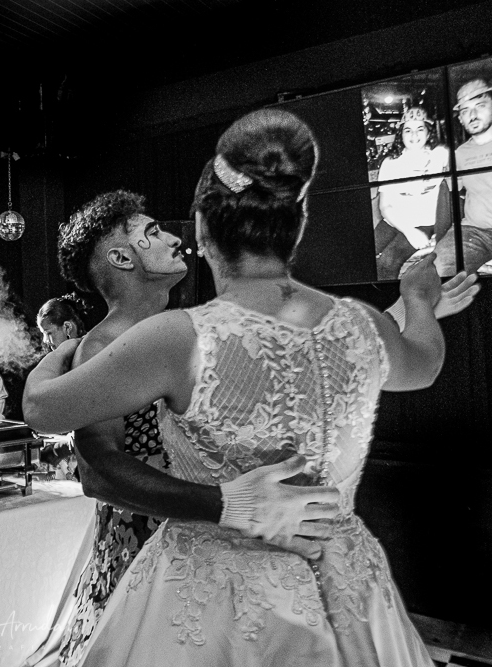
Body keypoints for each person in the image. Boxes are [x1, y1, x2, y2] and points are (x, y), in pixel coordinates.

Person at [24, 109, 454, 666]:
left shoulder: (181, 337)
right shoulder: (361, 325)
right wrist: (419, 299)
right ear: (298, 222)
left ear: (204, 229)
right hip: (345, 580)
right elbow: (425, 362)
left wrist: (55, 355)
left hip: (213, 590)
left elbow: (41, 409)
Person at [374, 106, 451, 279]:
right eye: (408, 130)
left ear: (428, 132)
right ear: (401, 134)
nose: (414, 135)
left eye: (420, 129)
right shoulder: (390, 163)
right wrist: (409, 231)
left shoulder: (441, 154)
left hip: (424, 222)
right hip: (394, 221)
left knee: (388, 261)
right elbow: (385, 206)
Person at [435, 77, 492, 276]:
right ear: (460, 118)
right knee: (440, 270)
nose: (472, 115)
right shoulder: (460, 154)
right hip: (475, 232)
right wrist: (441, 238)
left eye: (480, 106)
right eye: (465, 110)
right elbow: (448, 195)